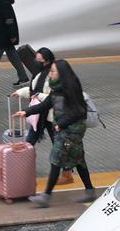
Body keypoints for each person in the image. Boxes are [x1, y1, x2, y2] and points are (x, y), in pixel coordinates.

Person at [12, 60, 97, 208]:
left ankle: (45, 197)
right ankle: (90, 191)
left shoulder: (71, 88)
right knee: (78, 158)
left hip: (72, 129)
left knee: (56, 159)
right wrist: (26, 112)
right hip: (64, 127)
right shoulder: (56, 88)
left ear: (61, 73)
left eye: (53, 71)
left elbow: (80, 111)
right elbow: (47, 104)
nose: (50, 74)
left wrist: (61, 124)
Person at [12, 47, 74, 185]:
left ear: (46, 60)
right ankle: (22, 171)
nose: (36, 62)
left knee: (58, 144)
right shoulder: (39, 73)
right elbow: (33, 89)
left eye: (39, 60)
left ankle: (68, 173)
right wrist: (21, 92)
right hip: (39, 115)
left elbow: (54, 96)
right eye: (36, 59)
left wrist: (38, 97)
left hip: (51, 115)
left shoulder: (53, 74)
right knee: (29, 142)